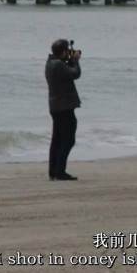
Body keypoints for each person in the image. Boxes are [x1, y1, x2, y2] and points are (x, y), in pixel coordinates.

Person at [45, 39, 82, 181]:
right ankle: (60, 171)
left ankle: (53, 171)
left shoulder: (50, 63)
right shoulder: (58, 65)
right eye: (67, 50)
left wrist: (70, 60)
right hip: (64, 107)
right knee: (68, 140)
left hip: (56, 106)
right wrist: (76, 60)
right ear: (63, 52)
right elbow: (75, 74)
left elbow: (66, 73)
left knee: (57, 140)